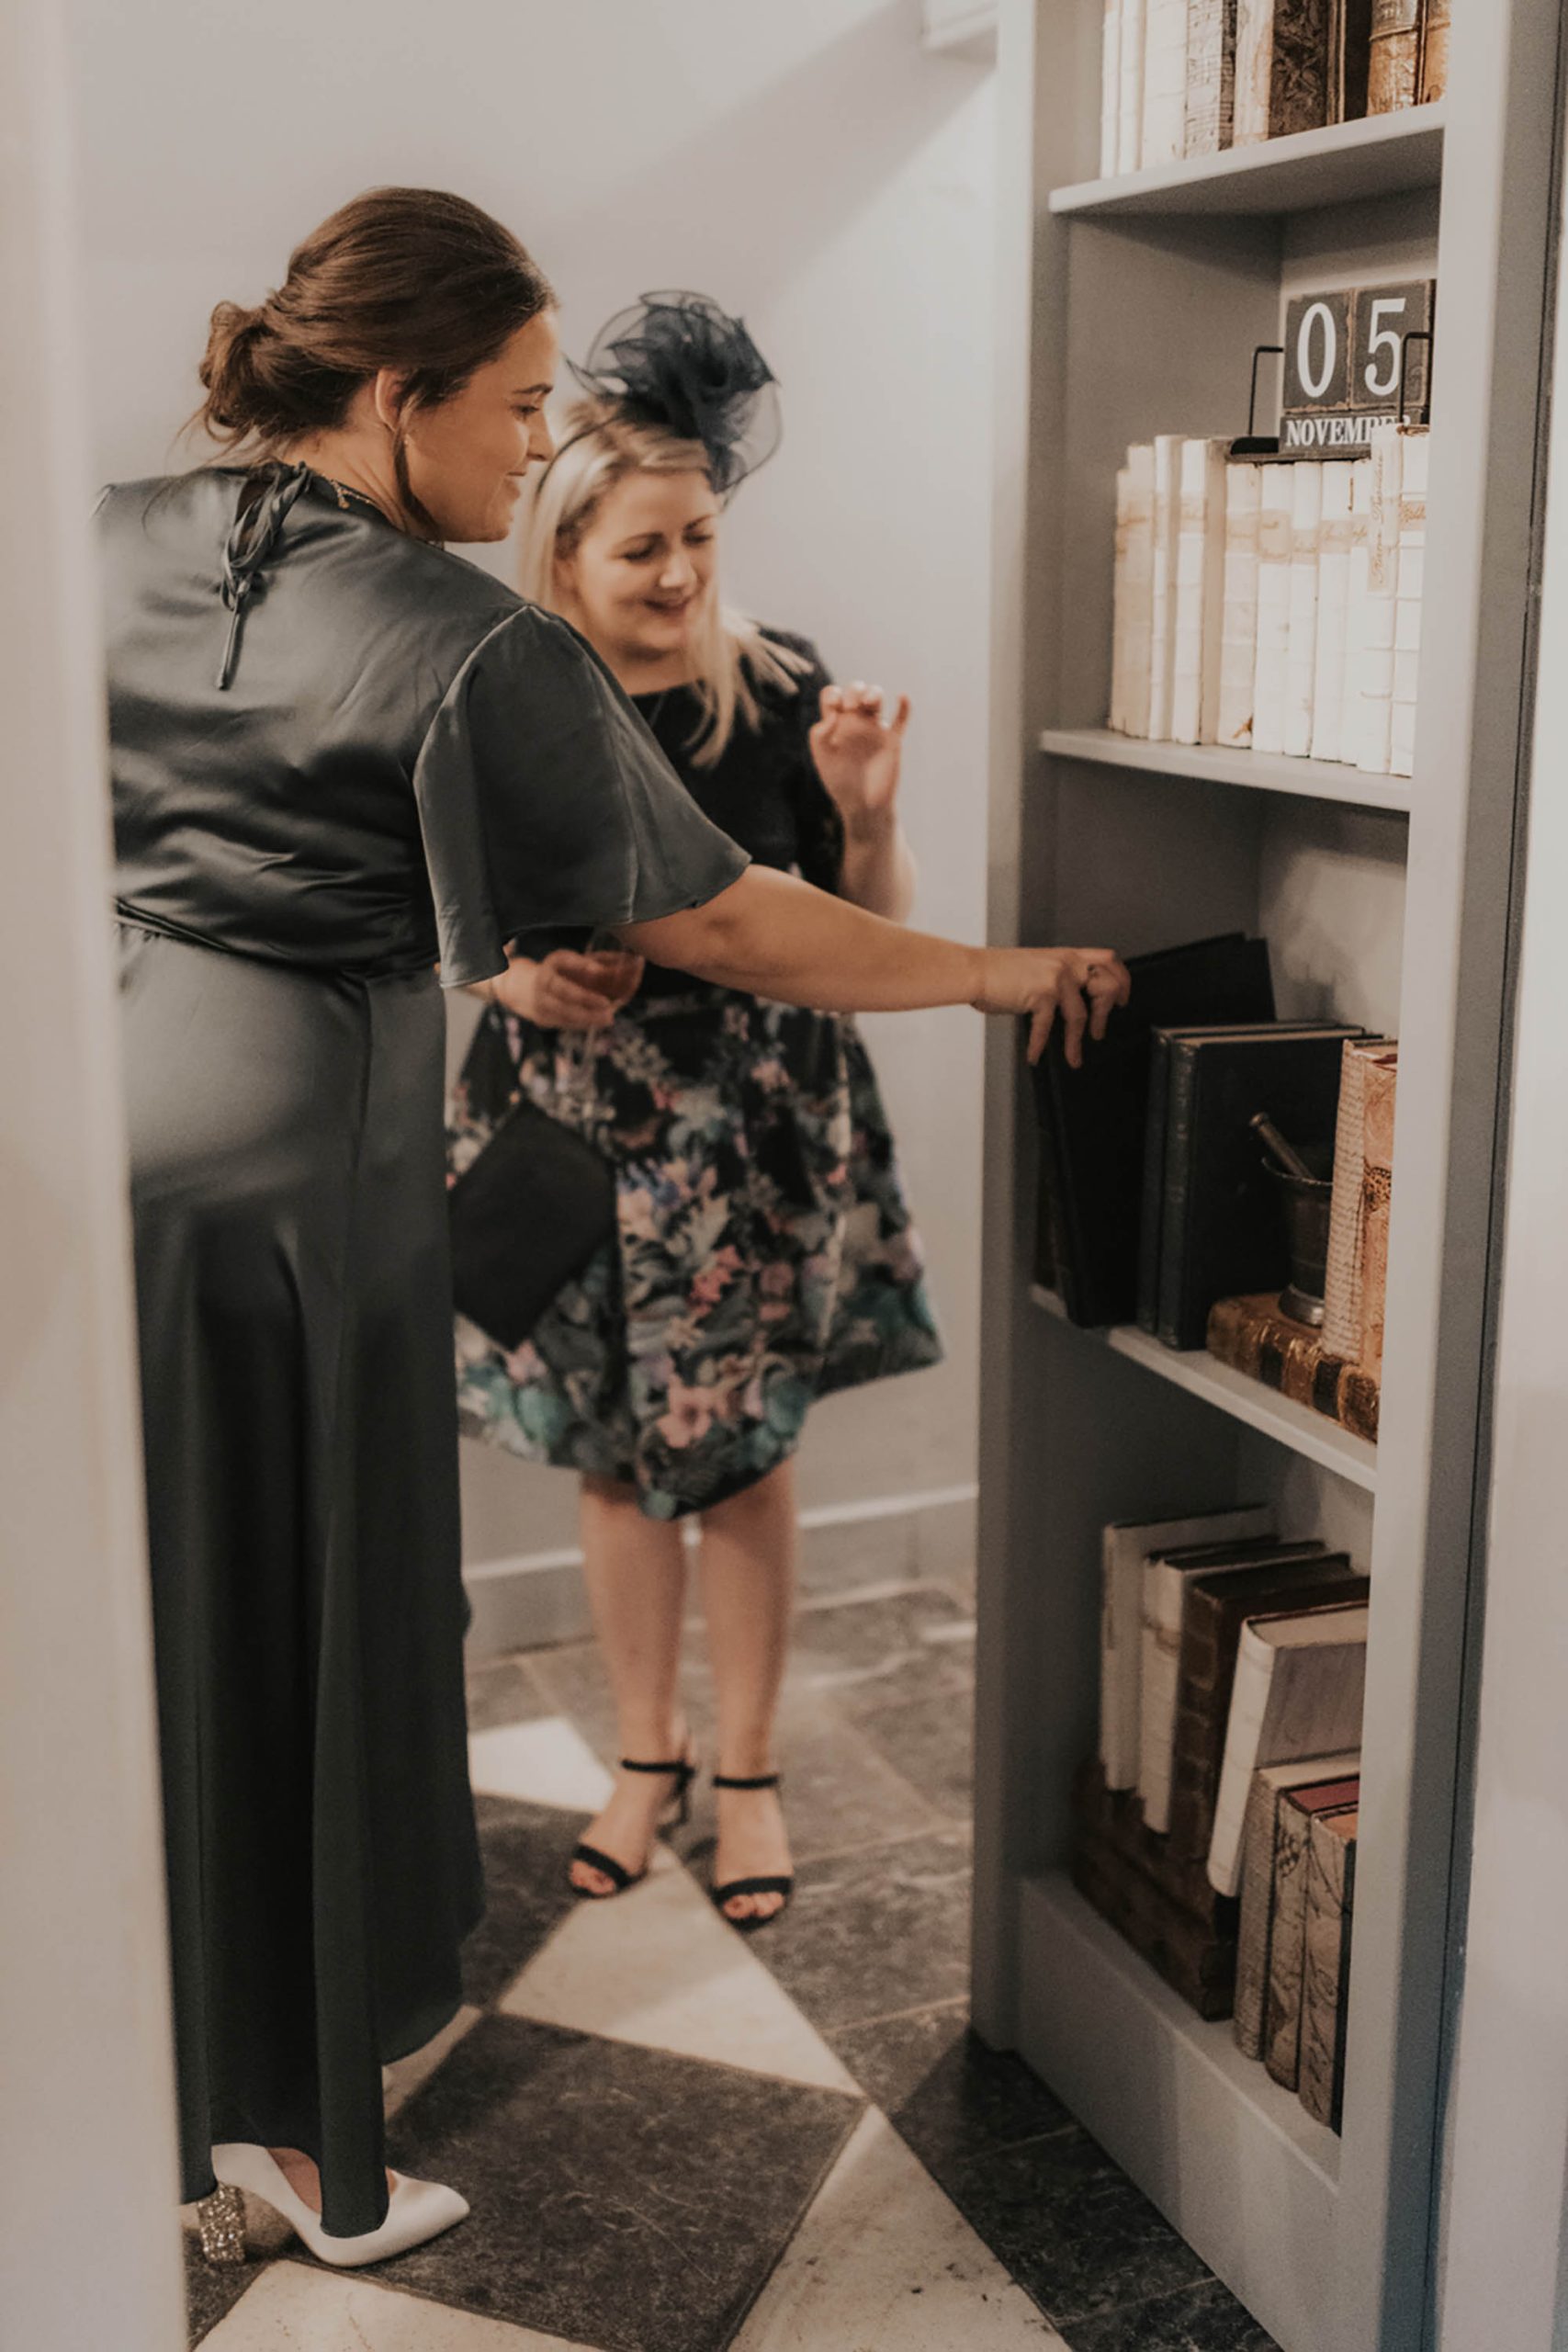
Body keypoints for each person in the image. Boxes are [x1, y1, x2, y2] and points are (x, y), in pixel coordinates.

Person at [104, 187, 1127, 2270]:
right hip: (308, 1162)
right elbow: (728, 920)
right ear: (395, 397)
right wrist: (993, 972)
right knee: (319, 1640)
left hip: (114, 1125)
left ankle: (121, 2068)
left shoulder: (107, 534)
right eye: (506, 407)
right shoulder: (465, 635)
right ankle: (300, 2134)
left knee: (156, 1629)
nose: (526, 447)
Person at [450, 293, 941, 1929]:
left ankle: (745, 1774)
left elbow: (862, 927)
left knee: (744, 1460)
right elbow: (443, 923)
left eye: (699, 541)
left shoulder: (780, 684)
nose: (678, 577)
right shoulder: (503, 703)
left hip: (752, 1128)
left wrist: (867, 815)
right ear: (563, 555)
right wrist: (515, 984)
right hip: (572, 1124)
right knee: (612, 1462)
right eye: (643, 550)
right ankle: (644, 1757)